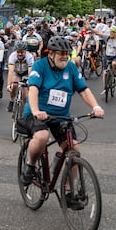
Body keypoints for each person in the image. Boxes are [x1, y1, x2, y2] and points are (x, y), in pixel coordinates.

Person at [19, 36, 104, 198]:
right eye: (61, 53)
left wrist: (96, 106)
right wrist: (36, 111)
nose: (65, 56)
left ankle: (67, 191)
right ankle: (30, 165)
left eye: (67, 53)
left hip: (60, 116)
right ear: (50, 54)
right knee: (42, 136)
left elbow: (83, 90)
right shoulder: (40, 65)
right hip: (38, 113)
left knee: (74, 149)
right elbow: (33, 89)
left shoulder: (71, 68)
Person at [6, 40, 35, 112]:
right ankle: (11, 101)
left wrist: (29, 82)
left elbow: (30, 71)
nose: (20, 54)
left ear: (25, 51)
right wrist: (9, 85)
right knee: (14, 85)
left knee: (25, 95)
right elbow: (11, 71)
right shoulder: (12, 56)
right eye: (18, 52)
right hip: (17, 72)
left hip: (25, 73)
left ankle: (24, 111)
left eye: (22, 52)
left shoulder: (29, 57)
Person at [102, 25, 116, 95]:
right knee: (105, 73)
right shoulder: (107, 38)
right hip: (107, 56)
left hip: (115, 56)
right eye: (110, 32)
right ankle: (105, 87)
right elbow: (98, 33)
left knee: (114, 64)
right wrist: (90, 28)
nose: (111, 33)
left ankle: (115, 76)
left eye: (112, 32)